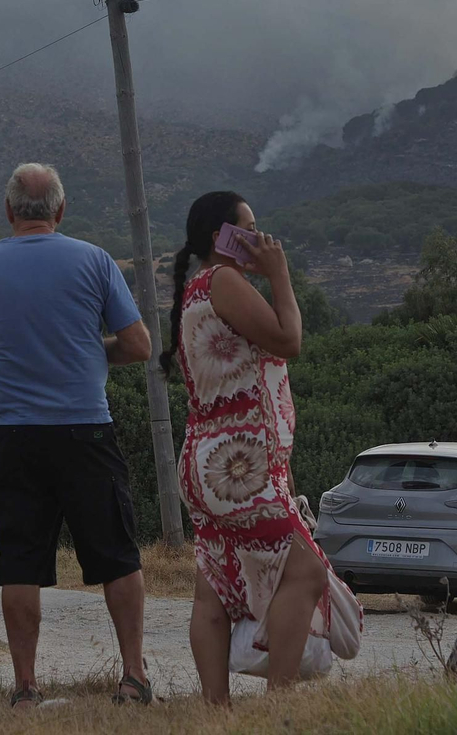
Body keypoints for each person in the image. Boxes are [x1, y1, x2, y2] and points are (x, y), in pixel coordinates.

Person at [0, 163, 156, 708]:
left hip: (12, 435)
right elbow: (137, 346)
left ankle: (25, 685)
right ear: (61, 211)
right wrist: (91, 351)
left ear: (9, 211)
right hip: (87, 429)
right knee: (117, 554)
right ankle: (132, 676)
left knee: (18, 561)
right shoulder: (94, 260)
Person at [162, 191, 329, 705]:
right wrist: (279, 274)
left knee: (213, 583)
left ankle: (216, 711)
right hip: (238, 464)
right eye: (249, 229)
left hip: (210, 463)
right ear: (221, 238)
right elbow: (288, 339)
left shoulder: (197, 288)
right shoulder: (224, 281)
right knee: (304, 571)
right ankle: (277, 704)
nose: (260, 238)